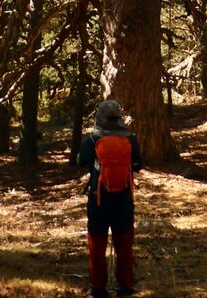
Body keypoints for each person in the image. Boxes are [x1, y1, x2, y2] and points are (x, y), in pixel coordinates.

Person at [77, 100, 143, 298]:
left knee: (97, 247)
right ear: (119, 117)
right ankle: (125, 287)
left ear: (99, 117)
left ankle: (99, 289)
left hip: (98, 202)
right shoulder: (130, 139)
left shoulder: (92, 139)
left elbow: (80, 162)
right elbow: (138, 165)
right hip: (124, 201)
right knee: (124, 247)